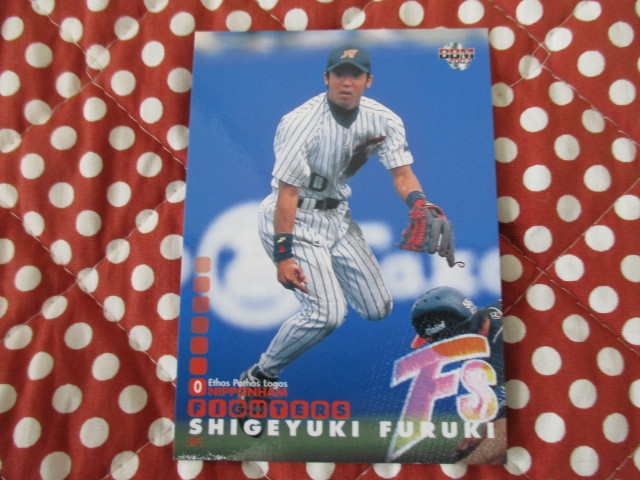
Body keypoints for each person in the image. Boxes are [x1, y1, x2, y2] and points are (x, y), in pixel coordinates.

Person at [240, 44, 455, 388]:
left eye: (355, 74)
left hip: (338, 218)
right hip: (295, 216)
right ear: (327, 78)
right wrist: (284, 255)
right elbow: (287, 193)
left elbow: (402, 175)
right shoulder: (300, 122)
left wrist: (419, 202)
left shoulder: (383, 119)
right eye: (340, 73)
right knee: (327, 315)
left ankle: (324, 277)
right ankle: (260, 376)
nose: (346, 81)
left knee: (378, 308)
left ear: (368, 81)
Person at [409, 286, 506, 464]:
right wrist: (480, 434)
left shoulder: (500, 342)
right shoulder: (490, 328)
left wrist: (456, 471)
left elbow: (507, 435)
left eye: (440, 343)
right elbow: (502, 413)